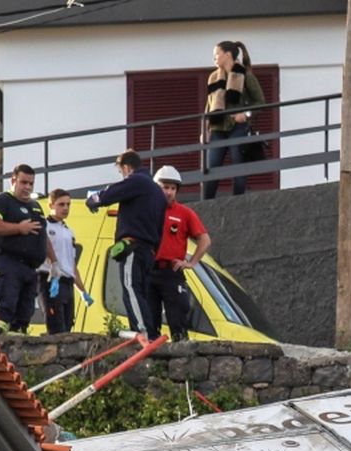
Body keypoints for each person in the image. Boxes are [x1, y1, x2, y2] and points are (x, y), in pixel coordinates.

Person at [86, 150, 167, 343]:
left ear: (126, 167)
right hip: (149, 249)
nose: (122, 175)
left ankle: (144, 333)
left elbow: (108, 195)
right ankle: (148, 330)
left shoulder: (136, 181)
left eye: (121, 171)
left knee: (131, 288)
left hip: (133, 245)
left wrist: (93, 200)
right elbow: (160, 228)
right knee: (142, 292)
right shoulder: (157, 192)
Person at [0, 164, 52, 333]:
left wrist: (54, 261)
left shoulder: (35, 206)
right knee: (5, 310)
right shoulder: (2, 200)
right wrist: (18, 228)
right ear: (13, 180)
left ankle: (17, 343)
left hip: (30, 268)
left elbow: (43, 236)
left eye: (31, 184)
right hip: (7, 263)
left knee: (23, 316)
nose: (27, 187)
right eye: (23, 182)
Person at [150, 165, 212, 342]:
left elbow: (205, 240)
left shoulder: (184, 213)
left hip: (172, 272)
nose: (169, 192)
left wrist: (191, 263)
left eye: (172, 188)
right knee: (149, 325)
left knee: (178, 321)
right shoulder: (148, 210)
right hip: (149, 271)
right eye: (165, 187)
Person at [202, 40, 264, 199]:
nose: (214, 58)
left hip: (238, 127)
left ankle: (238, 202)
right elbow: (209, 106)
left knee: (238, 169)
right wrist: (205, 128)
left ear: (227, 55)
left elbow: (260, 102)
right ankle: (206, 204)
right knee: (211, 168)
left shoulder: (246, 75)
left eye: (217, 54)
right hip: (217, 128)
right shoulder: (213, 77)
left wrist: (246, 115)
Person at [37, 188, 91, 335]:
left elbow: (72, 264)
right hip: (50, 280)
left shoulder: (69, 232)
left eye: (68, 204)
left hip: (67, 284)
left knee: (67, 329)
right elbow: (41, 251)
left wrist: (83, 291)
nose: (66, 208)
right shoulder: (44, 227)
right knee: (56, 329)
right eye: (61, 204)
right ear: (51, 205)